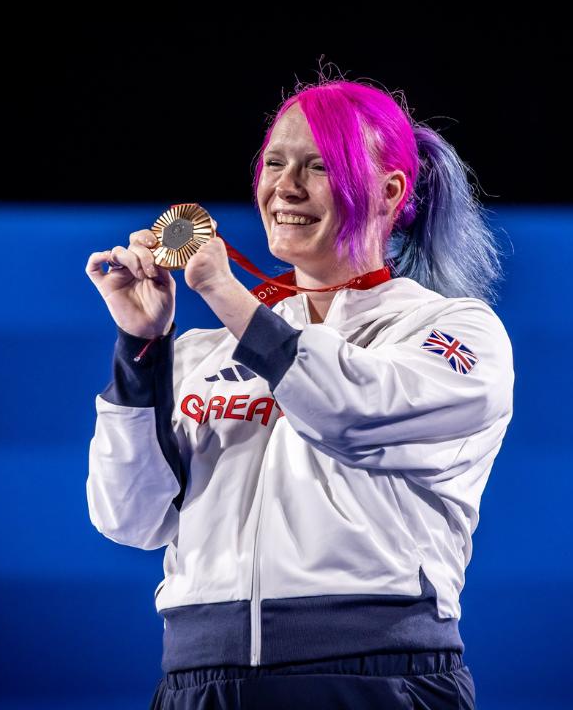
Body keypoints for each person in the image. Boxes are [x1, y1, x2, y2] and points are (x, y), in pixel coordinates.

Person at [83, 75, 515, 709]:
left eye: (319, 167)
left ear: (390, 192)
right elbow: (130, 518)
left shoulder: (450, 332)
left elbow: (350, 413)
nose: (286, 187)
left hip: (377, 678)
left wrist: (225, 296)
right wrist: (141, 347)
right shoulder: (207, 352)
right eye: (275, 164)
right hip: (199, 681)